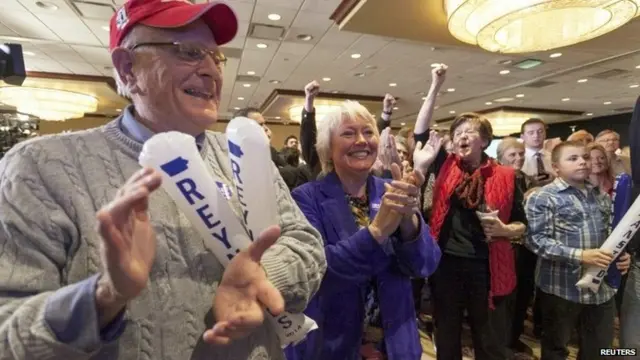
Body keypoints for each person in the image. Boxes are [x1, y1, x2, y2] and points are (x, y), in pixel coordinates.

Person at [0, 1, 327, 359]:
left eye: (216, 58)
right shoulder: (40, 166)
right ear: (127, 69)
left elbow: (306, 246)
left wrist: (262, 277)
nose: (211, 72)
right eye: (188, 52)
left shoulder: (242, 152)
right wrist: (107, 296)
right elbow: (9, 331)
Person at [286, 101, 442, 360]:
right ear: (327, 148)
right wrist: (377, 231)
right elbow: (319, 272)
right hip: (332, 344)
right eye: (348, 133)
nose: (362, 140)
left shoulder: (391, 189)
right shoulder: (305, 198)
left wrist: (408, 222)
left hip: (394, 344)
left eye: (368, 132)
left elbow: (425, 265)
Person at [426, 113, 527, 360]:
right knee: (447, 332)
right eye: (457, 132)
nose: (462, 136)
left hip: (488, 266)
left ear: (484, 140)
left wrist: (506, 230)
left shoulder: (507, 176)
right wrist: (436, 86)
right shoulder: (445, 166)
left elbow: (523, 223)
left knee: (488, 337)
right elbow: (420, 131)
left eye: (469, 131)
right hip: (447, 262)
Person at [526, 141, 631, 360]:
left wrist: (621, 256)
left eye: (584, 157)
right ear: (556, 167)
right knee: (556, 348)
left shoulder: (599, 195)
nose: (582, 162)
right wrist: (580, 256)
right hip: (560, 287)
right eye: (572, 159)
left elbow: (610, 234)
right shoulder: (544, 197)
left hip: (600, 289)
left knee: (600, 348)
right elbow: (536, 240)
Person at [520, 118, 554, 186]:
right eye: (531, 133)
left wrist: (554, 179)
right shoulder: (517, 160)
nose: (536, 135)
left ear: (545, 134)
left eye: (540, 131)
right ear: (522, 137)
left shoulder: (554, 158)